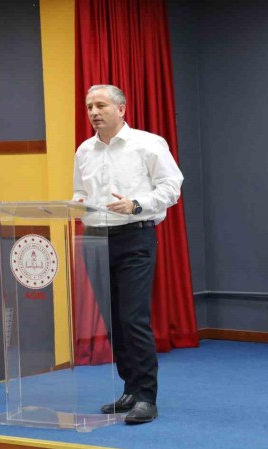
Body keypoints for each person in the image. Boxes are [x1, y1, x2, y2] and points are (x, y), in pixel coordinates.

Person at [72, 84, 183, 424]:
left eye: (101, 105)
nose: (94, 112)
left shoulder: (148, 143)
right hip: (94, 238)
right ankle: (130, 389)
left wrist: (136, 204)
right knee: (113, 320)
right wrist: (77, 203)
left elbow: (171, 187)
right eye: (89, 106)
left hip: (134, 237)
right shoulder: (84, 150)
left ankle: (147, 397)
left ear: (121, 109)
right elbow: (79, 190)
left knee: (133, 318)